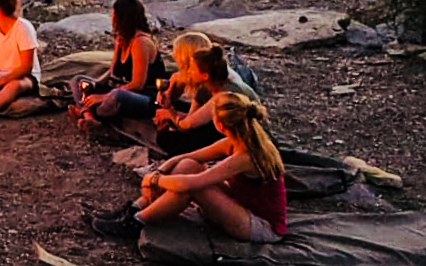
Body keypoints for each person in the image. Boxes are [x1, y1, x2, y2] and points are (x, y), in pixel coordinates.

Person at [92, 92, 287, 243]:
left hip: (262, 226)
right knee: (188, 165)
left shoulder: (247, 155)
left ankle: (135, 223)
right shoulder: (236, 140)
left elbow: (192, 183)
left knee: (192, 187)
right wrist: (159, 172)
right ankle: (136, 208)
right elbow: (187, 157)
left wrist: (153, 179)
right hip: (242, 204)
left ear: (219, 124)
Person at [69, 0, 167, 127]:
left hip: (143, 97)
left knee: (117, 95)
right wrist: (95, 84)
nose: (111, 18)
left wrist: (103, 97)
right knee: (78, 80)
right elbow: (113, 72)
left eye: (114, 14)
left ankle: (87, 112)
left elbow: (138, 84)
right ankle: (90, 116)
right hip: (117, 89)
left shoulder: (141, 42)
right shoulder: (122, 39)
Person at [153, 43, 258, 156]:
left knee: (166, 139)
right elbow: (191, 117)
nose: (188, 72)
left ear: (205, 75)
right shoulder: (206, 87)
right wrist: (171, 110)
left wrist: (170, 112)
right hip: (217, 125)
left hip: (238, 135)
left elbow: (187, 125)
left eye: (192, 69)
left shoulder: (223, 94)